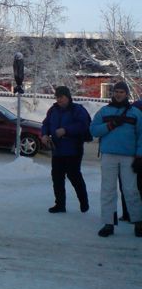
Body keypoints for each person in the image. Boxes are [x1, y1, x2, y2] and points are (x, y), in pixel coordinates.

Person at [90, 81, 142, 238]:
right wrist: (110, 125)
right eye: (116, 91)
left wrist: (139, 155)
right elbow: (93, 130)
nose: (118, 94)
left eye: (121, 92)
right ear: (112, 93)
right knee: (108, 190)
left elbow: (141, 135)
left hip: (129, 157)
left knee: (131, 190)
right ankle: (108, 223)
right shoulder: (104, 111)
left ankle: (138, 222)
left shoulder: (136, 113)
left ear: (126, 94)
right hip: (108, 155)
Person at [41, 86, 90, 214]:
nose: (59, 100)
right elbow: (46, 124)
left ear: (68, 97)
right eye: (57, 97)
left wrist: (66, 130)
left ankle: (84, 202)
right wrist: (44, 134)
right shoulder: (53, 110)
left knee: (74, 176)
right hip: (57, 150)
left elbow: (83, 125)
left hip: (73, 149)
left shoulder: (77, 110)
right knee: (57, 177)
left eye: (61, 97)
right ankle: (60, 204)